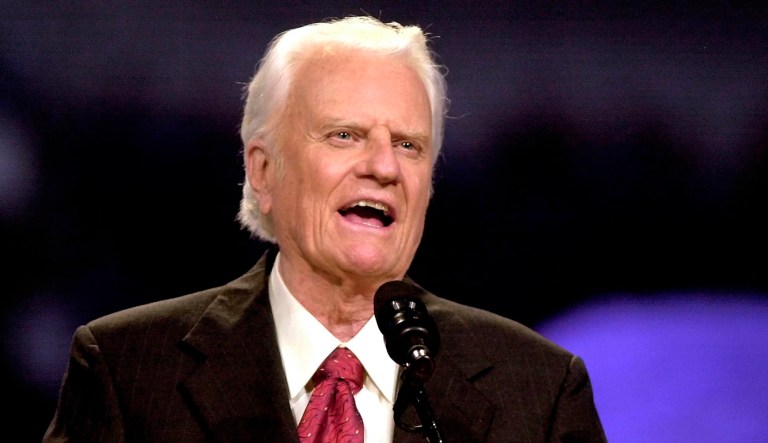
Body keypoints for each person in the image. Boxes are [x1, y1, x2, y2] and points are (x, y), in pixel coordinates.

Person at [43, 15, 607, 443]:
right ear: (263, 171)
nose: (385, 168)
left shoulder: (539, 393)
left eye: (409, 145)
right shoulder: (127, 371)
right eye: (345, 135)